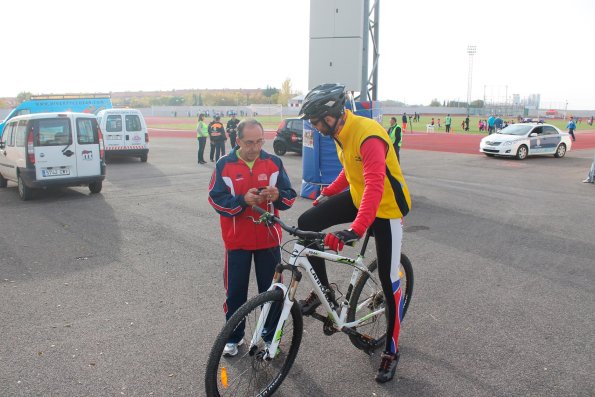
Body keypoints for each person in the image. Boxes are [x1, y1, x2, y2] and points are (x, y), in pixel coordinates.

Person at [296, 84, 411, 383]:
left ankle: (391, 350)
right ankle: (324, 293)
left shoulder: (368, 135)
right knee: (306, 222)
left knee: (389, 281)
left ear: (334, 114)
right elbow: (350, 171)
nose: (315, 126)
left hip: (385, 206)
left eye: (318, 119)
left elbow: (374, 185)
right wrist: (328, 193)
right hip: (360, 196)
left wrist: (356, 229)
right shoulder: (337, 132)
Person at [208, 118, 297, 357]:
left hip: (269, 241)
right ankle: (234, 338)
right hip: (237, 242)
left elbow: (289, 197)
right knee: (235, 293)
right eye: (249, 143)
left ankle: (269, 338)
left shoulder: (274, 162)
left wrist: (277, 195)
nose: (255, 148)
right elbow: (215, 199)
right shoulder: (224, 165)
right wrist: (241, 201)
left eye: (259, 142)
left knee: (272, 293)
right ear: (237, 141)